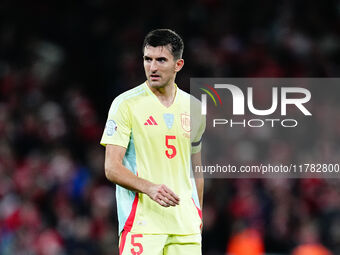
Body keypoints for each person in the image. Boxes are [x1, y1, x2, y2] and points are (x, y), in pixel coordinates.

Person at [100, 29, 206, 255]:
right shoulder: (125, 104)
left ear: (178, 65)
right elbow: (111, 167)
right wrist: (150, 188)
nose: (153, 67)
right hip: (143, 225)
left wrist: (198, 213)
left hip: (185, 227)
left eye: (161, 60)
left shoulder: (194, 108)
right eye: (148, 59)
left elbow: (196, 168)